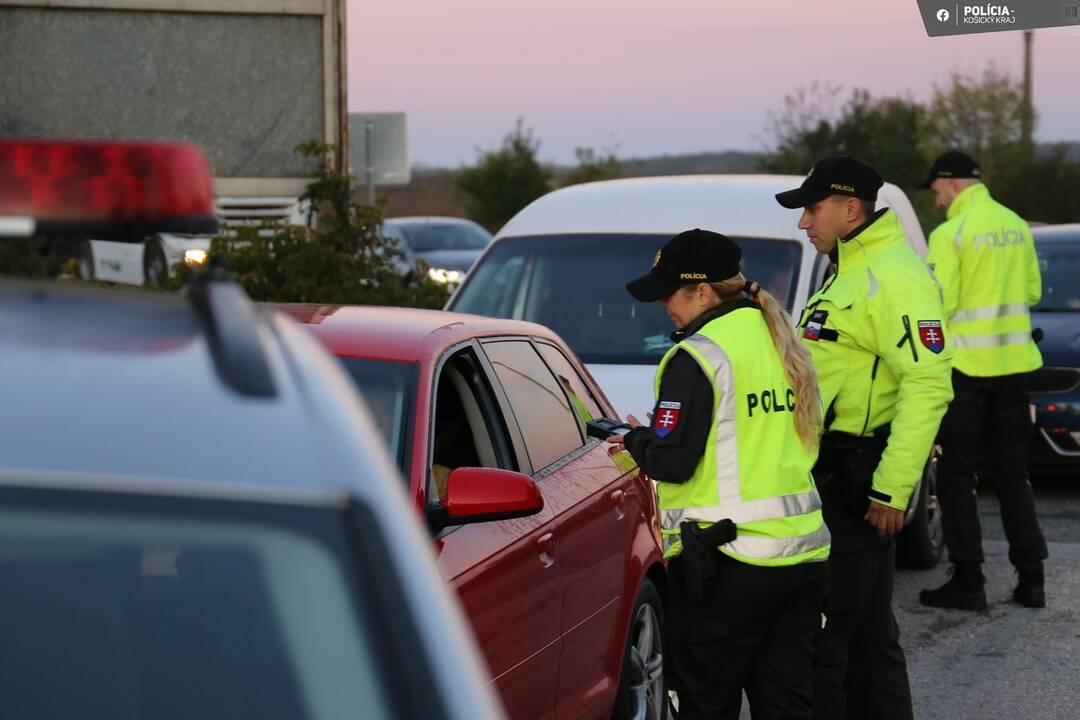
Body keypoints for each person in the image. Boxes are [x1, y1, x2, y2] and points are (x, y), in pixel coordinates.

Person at [607, 228, 830, 720]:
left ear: (703, 291)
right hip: (801, 559)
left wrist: (633, 439)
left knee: (707, 703)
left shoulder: (698, 357)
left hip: (727, 563)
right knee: (787, 704)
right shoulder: (782, 341)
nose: (664, 304)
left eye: (670, 293)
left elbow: (672, 460)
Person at [775, 155, 954, 720]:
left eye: (812, 209)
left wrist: (891, 489)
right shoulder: (850, 267)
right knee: (870, 637)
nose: (804, 223)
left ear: (850, 208)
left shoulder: (893, 275)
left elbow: (929, 383)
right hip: (837, 470)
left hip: (859, 479)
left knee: (830, 641)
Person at [919, 150, 1048, 610]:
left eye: (935, 190)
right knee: (1014, 474)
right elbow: (1032, 291)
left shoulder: (950, 234)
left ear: (951, 182)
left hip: (968, 372)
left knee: (957, 474)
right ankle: (1032, 580)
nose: (936, 201)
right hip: (1015, 369)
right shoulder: (1016, 225)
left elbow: (940, 305)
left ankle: (968, 581)